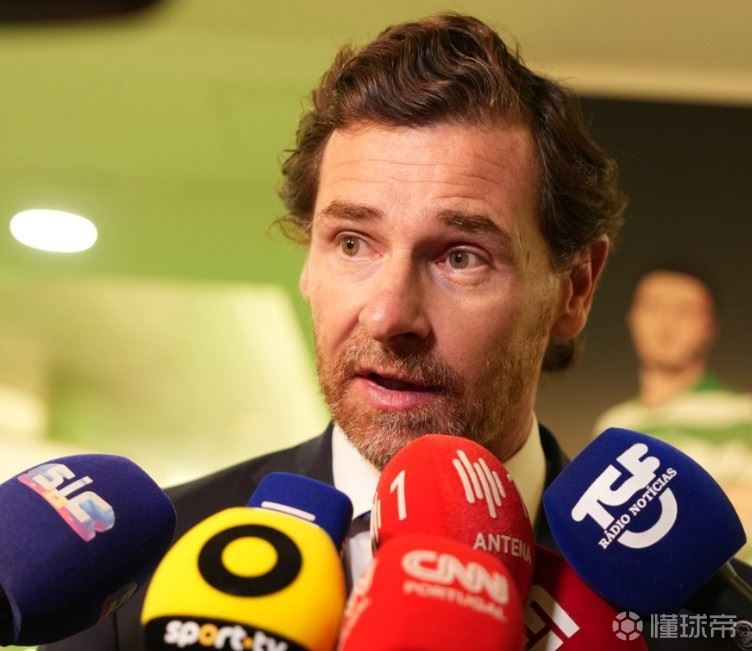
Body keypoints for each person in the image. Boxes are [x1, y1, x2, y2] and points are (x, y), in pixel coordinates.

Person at [43, 14, 744, 651]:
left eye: (461, 256)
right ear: (309, 263)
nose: (387, 317)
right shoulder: (142, 576)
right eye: (353, 242)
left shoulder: (705, 615)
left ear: (575, 288)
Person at [594, 266, 752, 562]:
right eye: (653, 307)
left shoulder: (744, 414)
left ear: (710, 327)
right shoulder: (615, 425)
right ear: (633, 318)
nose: (665, 324)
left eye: (684, 311)